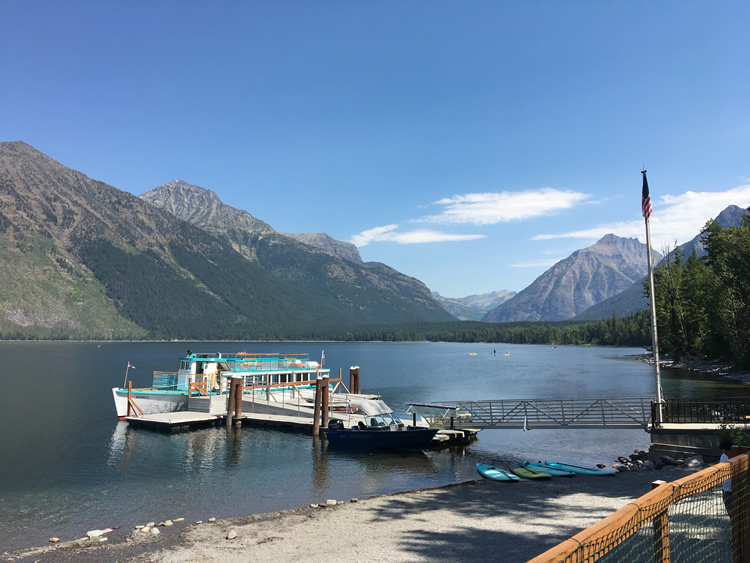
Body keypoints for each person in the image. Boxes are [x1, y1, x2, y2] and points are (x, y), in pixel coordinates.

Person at [720, 439, 733, 512]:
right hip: (726, 488)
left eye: (726, 451)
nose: (725, 453)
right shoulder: (723, 456)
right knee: (729, 510)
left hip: (735, 488)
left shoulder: (737, 456)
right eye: (723, 451)